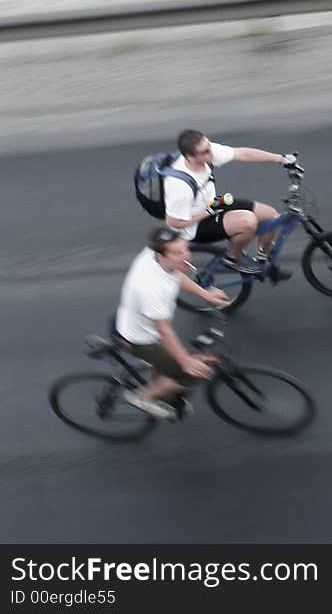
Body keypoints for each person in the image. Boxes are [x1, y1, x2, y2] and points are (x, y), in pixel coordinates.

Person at [115, 227, 229, 419]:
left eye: (185, 248)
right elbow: (164, 331)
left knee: (171, 362)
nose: (186, 255)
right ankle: (143, 397)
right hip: (141, 339)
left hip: (141, 323)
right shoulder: (151, 287)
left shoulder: (157, 256)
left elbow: (177, 275)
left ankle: (164, 389)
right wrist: (186, 363)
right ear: (160, 255)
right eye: (177, 253)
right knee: (191, 373)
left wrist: (206, 294)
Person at [163, 129, 298, 274]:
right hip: (195, 226)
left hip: (214, 204)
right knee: (248, 221)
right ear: (191, 157)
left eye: (209, 146)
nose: (211, 153)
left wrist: (282, 159)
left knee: (270, 215)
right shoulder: (179, 187)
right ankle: (232, 258)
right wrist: (208, 211)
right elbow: (173, 223)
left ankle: (263, 262)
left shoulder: (207, 151)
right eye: (205, 152)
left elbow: (243, 153)